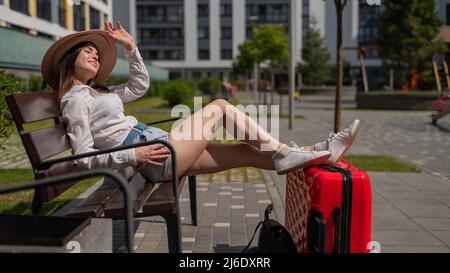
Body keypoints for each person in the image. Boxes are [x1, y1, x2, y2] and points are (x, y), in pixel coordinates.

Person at [41, 21, 360, 183]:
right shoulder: (74, 100)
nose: (95, 55)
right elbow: (83, 158)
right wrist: (133, 153)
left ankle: (318, 155)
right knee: (220, 106)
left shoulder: (99, 93)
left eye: (97, 53)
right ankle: (285, 152)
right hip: (152, 157)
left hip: (160, 146)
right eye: (88, 52)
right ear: (70, 61)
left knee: (245, 152)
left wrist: (130, 48)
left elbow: (140, 85)